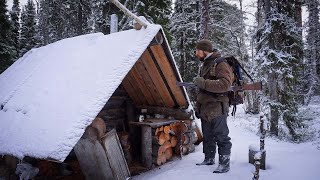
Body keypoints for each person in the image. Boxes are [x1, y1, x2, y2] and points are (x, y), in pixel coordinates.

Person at [193, 39, 233, 173]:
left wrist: (203, 83)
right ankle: (209, 158)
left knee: (221, 136)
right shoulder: (205, 64)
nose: (196, 53)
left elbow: (225, 84)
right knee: (208, 136)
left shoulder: (221, 64)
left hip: (217, 107)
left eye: (198, 51)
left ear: (204, 51)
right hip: (205, 107)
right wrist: (197, 106)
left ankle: (224, 164)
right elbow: (202, 90)